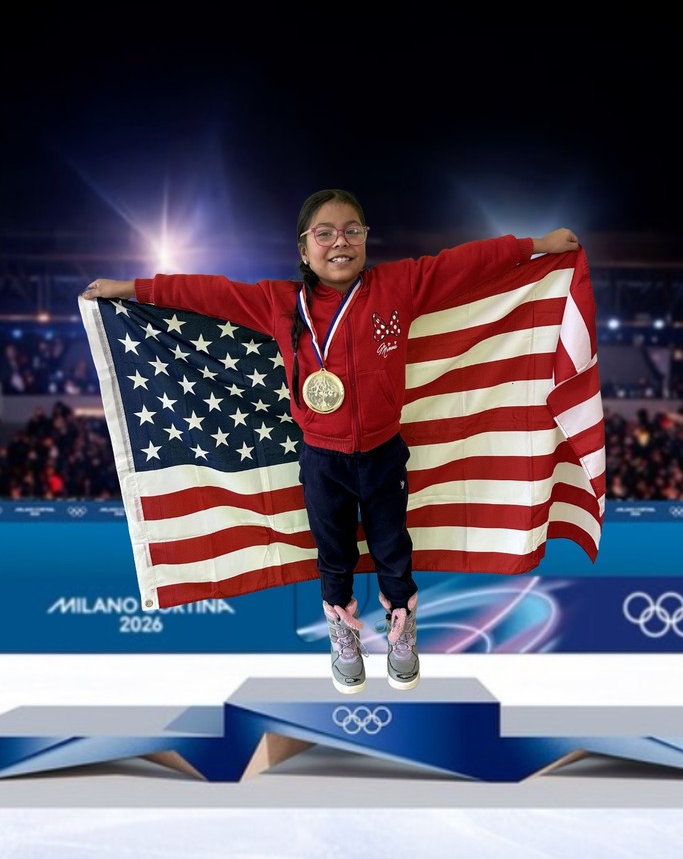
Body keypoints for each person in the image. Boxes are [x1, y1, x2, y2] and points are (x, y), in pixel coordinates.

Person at [82, 188, 580, 695]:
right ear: (304, 248)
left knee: (393, 548)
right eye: (324, 233)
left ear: (366, 240)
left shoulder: (399, 285)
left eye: (352, 231)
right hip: (322, 458)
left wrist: (538, 244)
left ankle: (401, 632)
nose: (339, 242)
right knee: (333, 555)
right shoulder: (279, 303)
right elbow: (204, 292)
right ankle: (342, 634)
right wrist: (131, 287)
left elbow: (469, 262)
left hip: (385, 453)